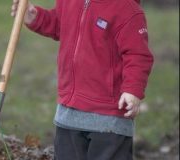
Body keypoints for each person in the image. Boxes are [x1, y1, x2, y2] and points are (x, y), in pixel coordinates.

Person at [11, 0, 154, 159]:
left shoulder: (127, 10)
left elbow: (138, 55)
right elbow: (60, 24)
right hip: (69, 114)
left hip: (109, 119)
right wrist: (35, 17)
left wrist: (132, 89)